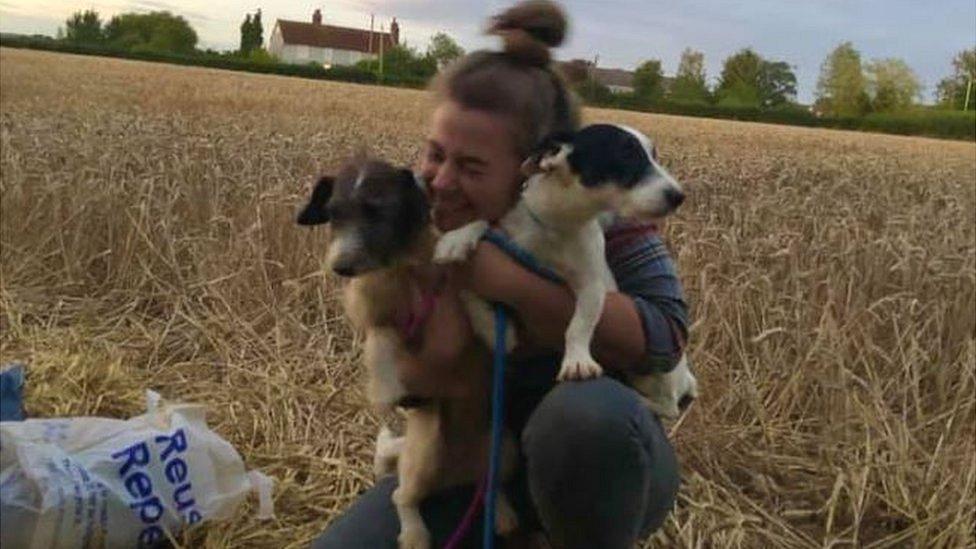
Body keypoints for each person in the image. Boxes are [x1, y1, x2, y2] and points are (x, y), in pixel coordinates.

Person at [312, 2, 689, 547]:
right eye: (434, 154)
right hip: (470, 465)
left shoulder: (602, 220)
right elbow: (404, 369)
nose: (439, 182)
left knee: (584, 417)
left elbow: (665, 339)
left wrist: (510, 284)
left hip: (595, 469)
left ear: (539, 167)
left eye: (471, 168)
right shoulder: (412, 215)